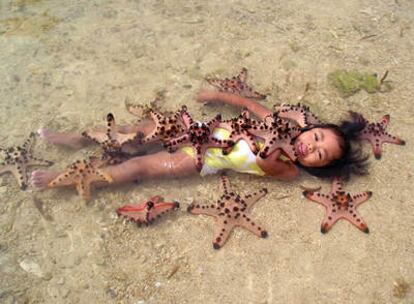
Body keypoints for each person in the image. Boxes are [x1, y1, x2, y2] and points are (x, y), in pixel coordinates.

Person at [31, 90, 368, 191]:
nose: (313, 146)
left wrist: (278, 146)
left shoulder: (288, 170)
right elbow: (249, 105)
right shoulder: (281, 123)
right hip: (200, 128)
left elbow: (264, 162)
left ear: (316, 169)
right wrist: (218, 94)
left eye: (320, 156)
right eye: (318, 136)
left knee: (139, 167)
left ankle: (66, 179)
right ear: (312, 127)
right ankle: (78, 139)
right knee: (134, 132)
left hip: (200, 159)